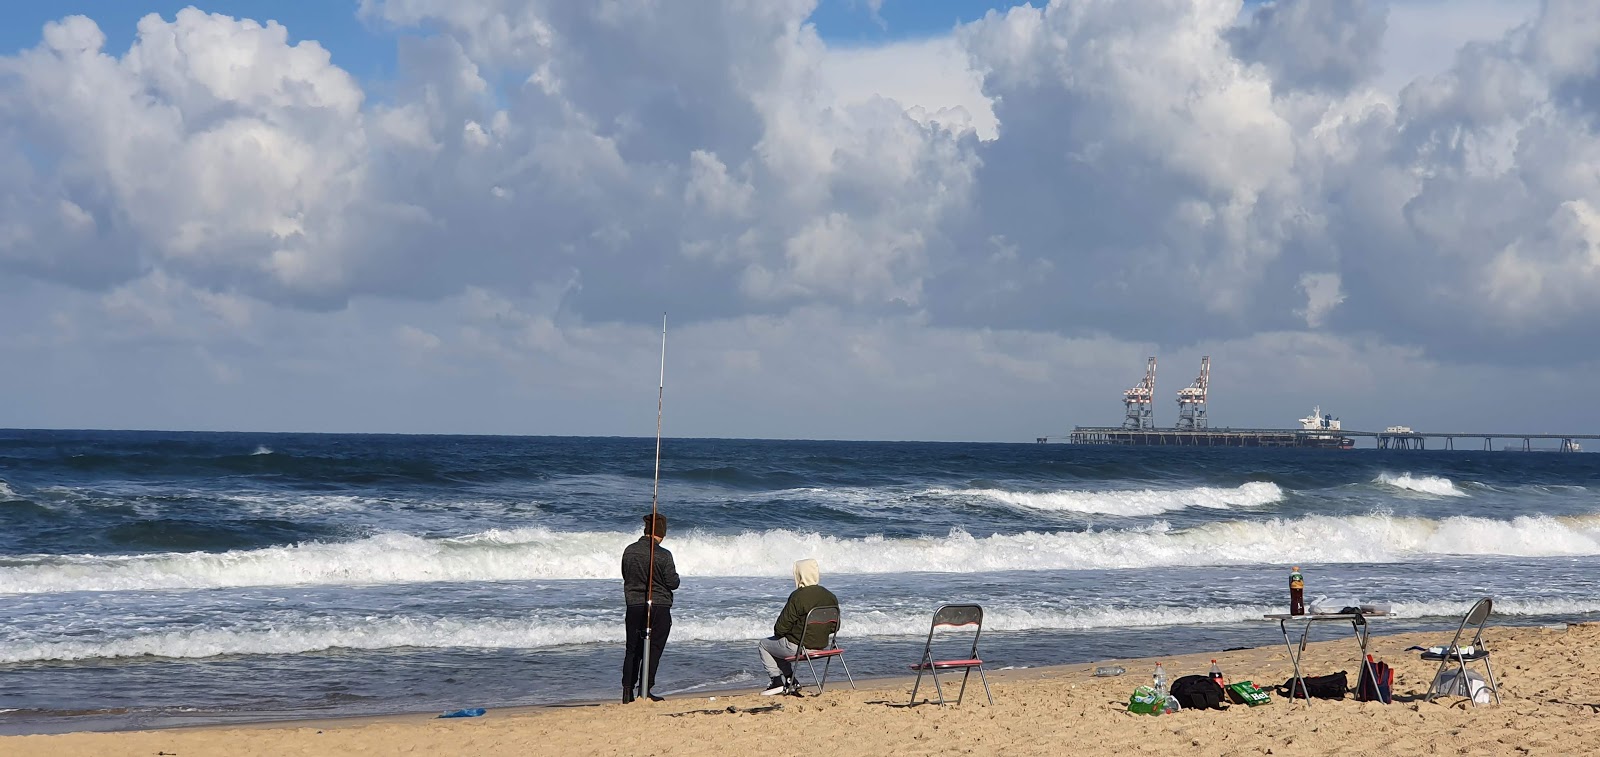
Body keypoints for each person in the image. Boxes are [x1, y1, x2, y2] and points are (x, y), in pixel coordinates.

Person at [757, 558, 838, 696]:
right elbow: (835, 627)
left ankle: (777, 681)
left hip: (799, 647)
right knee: (781, 643)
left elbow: (780, 628)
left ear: (799, 575)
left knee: (764, 645)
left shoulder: (798, 596)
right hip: (821, 645)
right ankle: (791, 680)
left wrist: (791, 634)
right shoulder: (830, 596)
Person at [621, 513, 679, 703]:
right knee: (653, 648)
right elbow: (673, 582)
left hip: (634, 604)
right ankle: (645, 689)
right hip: (659, 606)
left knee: (632, 649)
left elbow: (626, 575)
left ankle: (627, 691)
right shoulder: (663, 554)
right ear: (660, 533)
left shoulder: (629, 551)